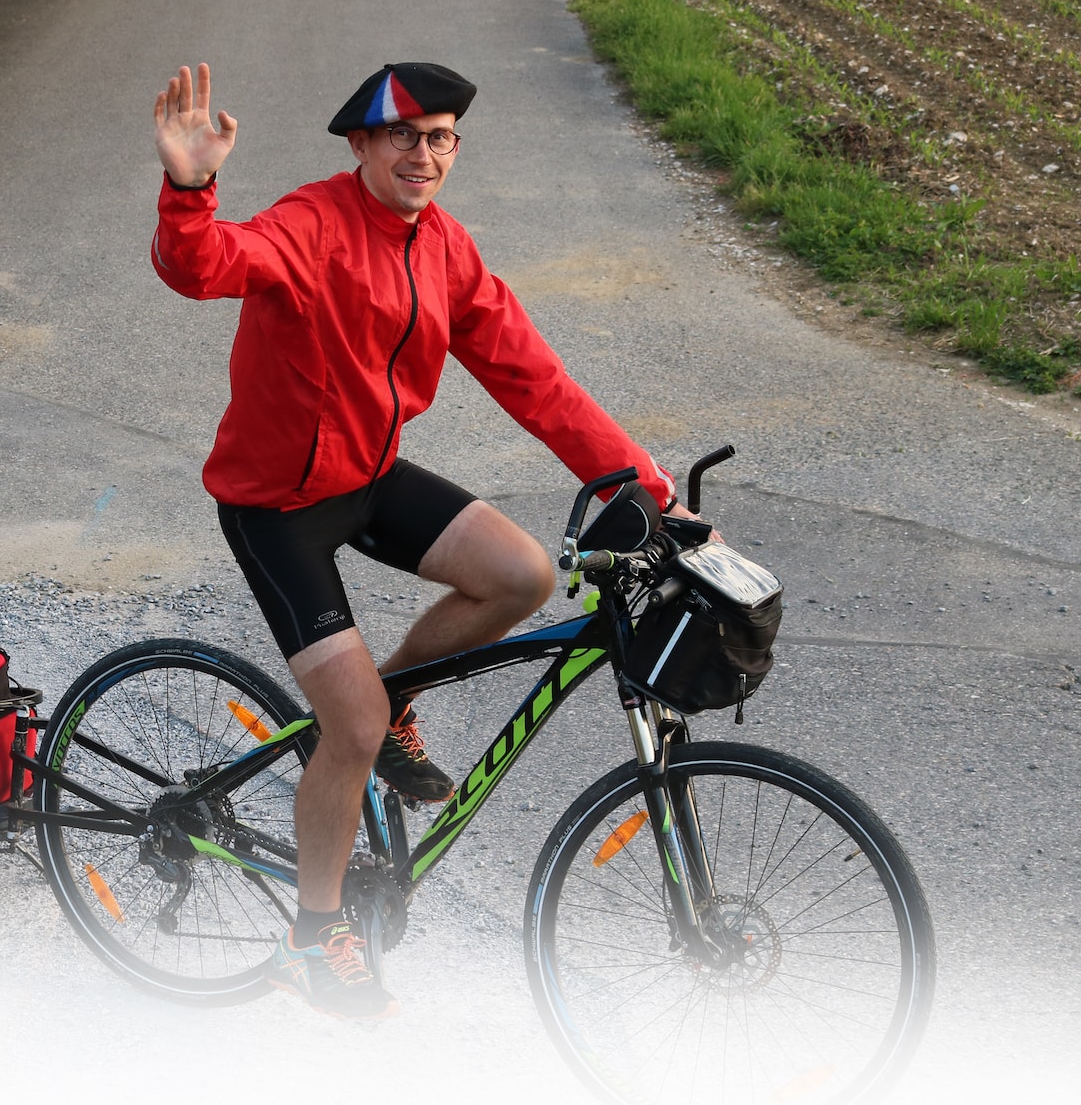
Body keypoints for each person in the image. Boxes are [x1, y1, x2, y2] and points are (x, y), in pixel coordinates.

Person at [150, 61, 685, 1020]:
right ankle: (314, 937)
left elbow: (538, 382)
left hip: (366, 477)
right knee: (346, 728)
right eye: (405, 136)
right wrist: (190, 188)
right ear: (360, 144)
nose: (424, 154)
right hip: (276, 504)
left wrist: (650, 492)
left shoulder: (446, 250)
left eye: (440, 138)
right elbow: (204, 267)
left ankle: (392, 696)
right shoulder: (309, 226)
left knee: (520, 574)